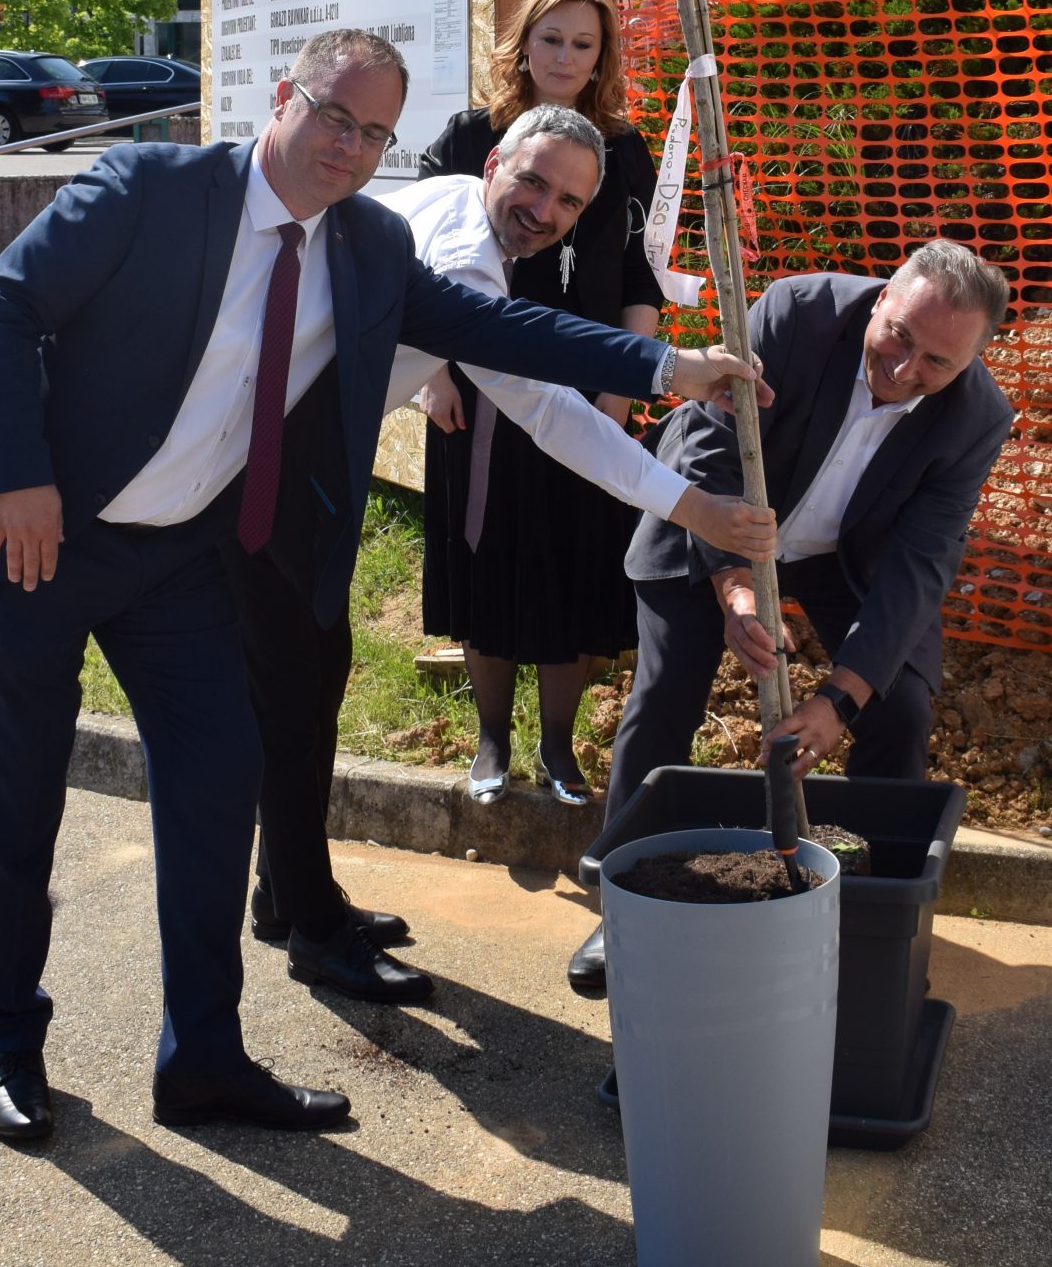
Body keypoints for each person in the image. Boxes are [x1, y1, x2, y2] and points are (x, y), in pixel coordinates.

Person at [0, 28, 765, 1146]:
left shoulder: (368, 244)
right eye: (333, 116)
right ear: (284, 96)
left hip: (175, 558)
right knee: (19, 798)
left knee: (217, 788)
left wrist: (664, 365)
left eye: (373, 133)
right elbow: (4, 305)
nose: (349, 146)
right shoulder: (151, 186)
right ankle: (10, 1037)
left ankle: (202, 1060)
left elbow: (504, 332)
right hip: (39, 537)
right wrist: (19, 476)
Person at [243, 99, 776, 1005]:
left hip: (288, 457)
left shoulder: (452, 206)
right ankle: (310, 924)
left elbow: (537, 399)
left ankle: (289, 894)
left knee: (305, 683)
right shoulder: (466, 263)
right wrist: (688, 478)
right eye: (532, 181)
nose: (544, 210)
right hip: (262, 468)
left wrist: (688, 495)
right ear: (493, 164)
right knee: (295, 691)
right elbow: (549, 406)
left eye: (569, 202)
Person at [566, 243, 1015, 993]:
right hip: (715, 518)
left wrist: (838, 700)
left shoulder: (975, 419)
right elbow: (710, 444)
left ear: (970, 362)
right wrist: (736, 591)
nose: (905, 368)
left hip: (841, 556)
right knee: (667, 689)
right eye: (899, 336)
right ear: (882, 298)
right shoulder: (797, 314)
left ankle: (875, 918)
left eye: (937, 362)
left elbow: (919, 565)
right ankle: (623, 909)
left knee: (898, 705)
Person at [418, 0, 662, 802]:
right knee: (484, 560)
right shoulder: (470, 137)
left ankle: (559, 747)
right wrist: (433, 378)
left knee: (577, 564)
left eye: (582, 44)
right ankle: (491, 742)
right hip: (474, 393)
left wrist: (622, 388)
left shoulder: (624, 152)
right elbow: (416, 264)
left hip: (587, 395)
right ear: (523, 43)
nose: (564, 57)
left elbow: (639, 277)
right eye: (551, 38)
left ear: (601, 58)